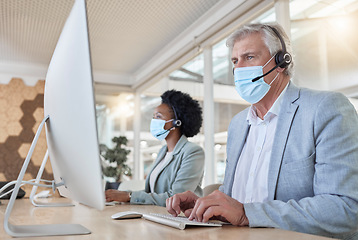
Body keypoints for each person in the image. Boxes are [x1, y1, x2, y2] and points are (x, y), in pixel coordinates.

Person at [166, 23, 358, 239]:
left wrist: (248, 214)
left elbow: (345, 208)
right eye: (235, 61)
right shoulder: (238, 125)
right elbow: (236, 198)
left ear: (280, 62)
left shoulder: (325, 108)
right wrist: (206, 202)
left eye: (249, 57)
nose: (239, 69)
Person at [105, 90, 204, 206]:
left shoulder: (193, 152)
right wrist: (122, 195)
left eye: (158, 116)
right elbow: (152, 193)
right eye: (154, 117)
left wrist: (129, 196)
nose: (154, 121)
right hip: (157, 214)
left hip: (181, 217)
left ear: (176, 123)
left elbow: (177, 198)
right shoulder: (163, 151)